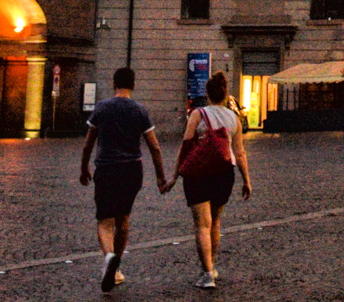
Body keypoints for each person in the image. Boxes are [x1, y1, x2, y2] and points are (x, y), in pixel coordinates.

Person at [80, 67, 168, 294]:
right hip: (132, 170)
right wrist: (160, 176)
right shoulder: (140, 110)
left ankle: (109, 258)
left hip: (107, 168)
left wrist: (84, 168)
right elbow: (154, 146)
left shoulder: (102, 108)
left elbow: (89, 142)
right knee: (123, 219)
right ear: (133, 85)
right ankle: (116, 268)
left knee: (104, 220)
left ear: (114, 83)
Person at [162, 71, 252, 290]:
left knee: (202, 225)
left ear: (207, 94)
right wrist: (246, 180)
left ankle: (207, 274)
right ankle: (212, 265)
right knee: (215, 222)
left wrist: (174, 176)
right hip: (224, 173)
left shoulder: (198, 115)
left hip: (199, 174)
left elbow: (185, 147)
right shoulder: (234, 118)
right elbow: (239, 152)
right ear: (225, 94)